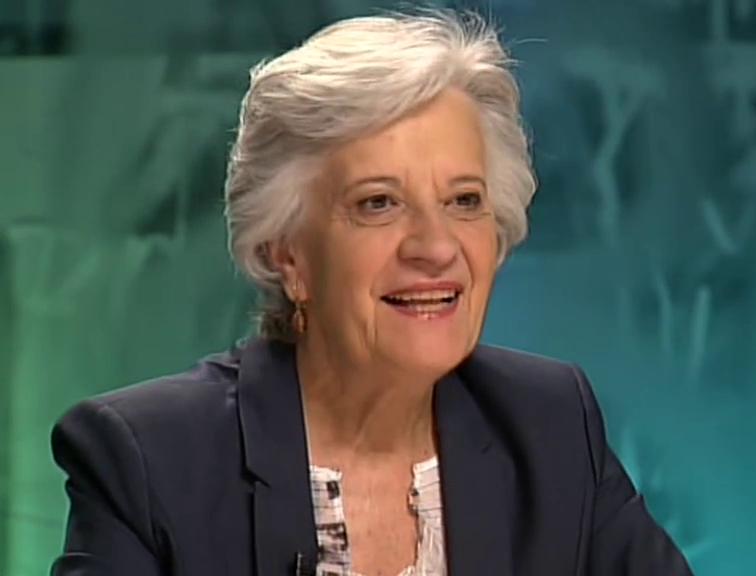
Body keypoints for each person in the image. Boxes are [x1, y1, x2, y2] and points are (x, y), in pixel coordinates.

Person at [50, 9, 694, 576]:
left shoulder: (548, 425)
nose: (436, 246)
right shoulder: (150, 459)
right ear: (287, 254)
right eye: (378, 203)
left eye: (464, 201)